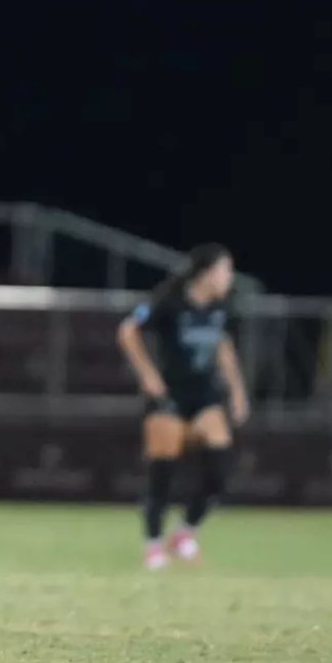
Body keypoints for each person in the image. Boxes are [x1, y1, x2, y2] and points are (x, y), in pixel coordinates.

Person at [116, 244, 249, 569]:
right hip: (169, 397)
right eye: (225, 270)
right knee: (163, 472)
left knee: (220, 470)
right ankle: (154, 546)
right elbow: (128, 330)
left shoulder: (221, 306)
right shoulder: (169, 302)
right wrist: (148, 375)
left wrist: (237, 390)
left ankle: (186, 531)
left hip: (204, 398)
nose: (228, 277)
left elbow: (223, 345)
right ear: (206, 272)